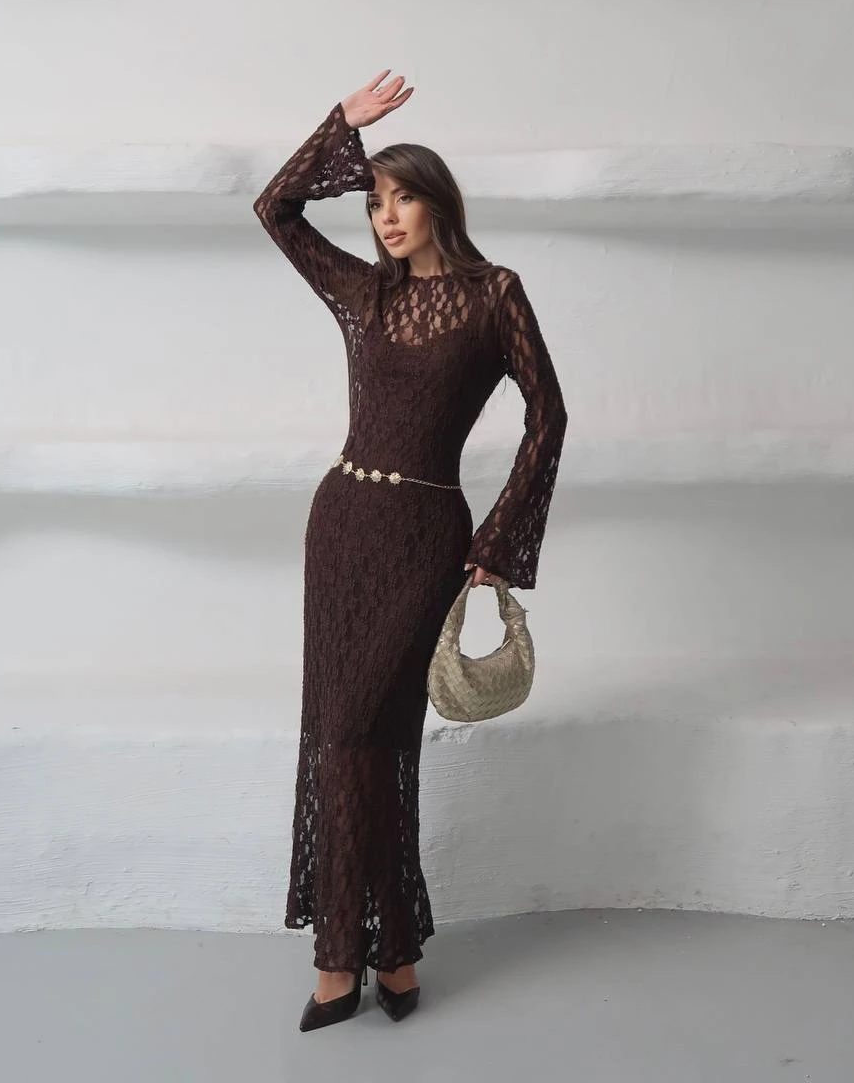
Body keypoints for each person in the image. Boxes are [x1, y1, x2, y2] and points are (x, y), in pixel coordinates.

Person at [253, 70, 568, 1031]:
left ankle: (352, 956)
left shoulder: (493, 295)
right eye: (373, 201)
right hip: (342, 527)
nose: (385, 217)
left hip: (425, 538)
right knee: (350, 737)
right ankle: (380, 956)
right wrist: (338, 127)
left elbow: (549, 416)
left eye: (401, 197)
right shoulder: (364, 291)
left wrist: (499, 538)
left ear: (439, 203)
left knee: (370, 736)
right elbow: (275, 211)